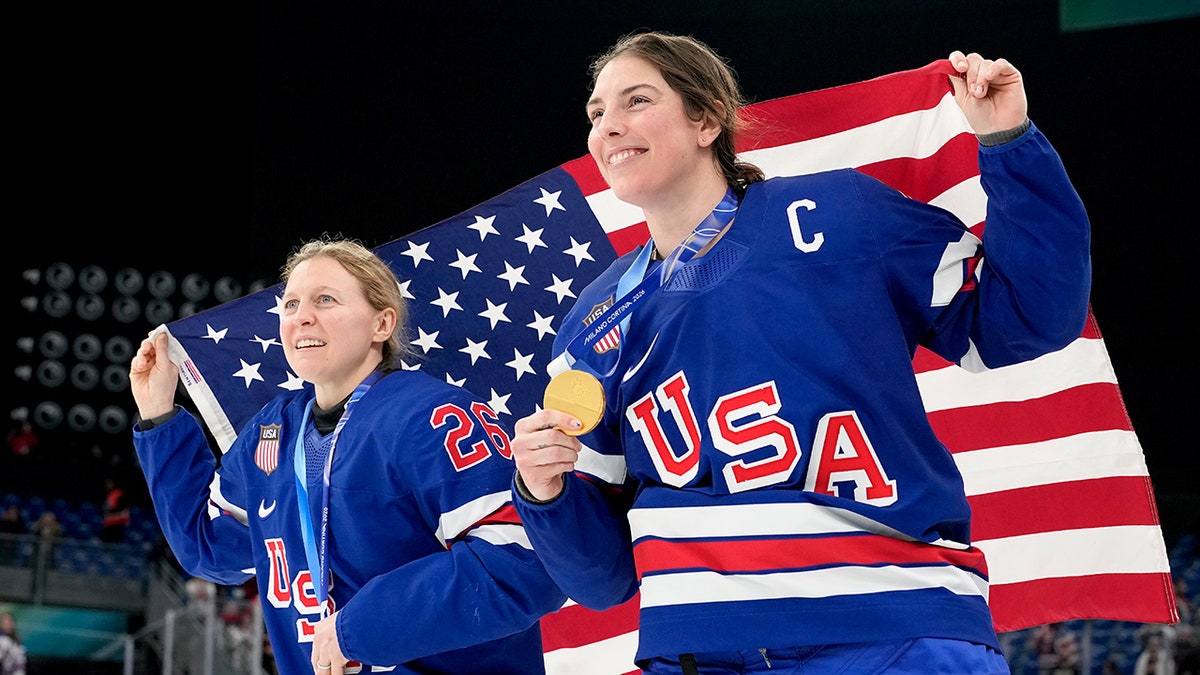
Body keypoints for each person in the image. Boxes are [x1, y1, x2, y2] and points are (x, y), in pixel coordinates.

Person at [510, 30, 1091, 674]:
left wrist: (1007, 141)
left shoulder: (840, 215)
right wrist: (544, 493)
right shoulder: (590, 325)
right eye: (596, 113)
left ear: (705, 120)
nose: (609, 127)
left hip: (893, 633)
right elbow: (602, 582)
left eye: (636, 101)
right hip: (698, 653)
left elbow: (1025, 319)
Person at [130, 237, 566, 674]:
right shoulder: (273, 431)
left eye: (325, 300)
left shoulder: (435, 418)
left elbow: (521, 565)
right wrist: (158, 415)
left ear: (382, 325)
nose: (302, 317)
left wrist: (358, 630)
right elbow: (208, 549)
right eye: (291, 304)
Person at [99, 478, 130, 543]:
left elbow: (123, 510)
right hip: (109, 525)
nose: (108, 485)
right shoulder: (108, 495)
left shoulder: (118, 494)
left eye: (109, 483)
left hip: (117, 524)